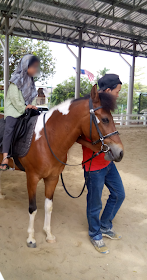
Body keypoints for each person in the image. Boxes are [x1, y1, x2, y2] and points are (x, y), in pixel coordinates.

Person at [77, 74, 125, 254]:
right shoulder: (88, 110)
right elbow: (76, 137)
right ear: (107, 91)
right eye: (117, 91)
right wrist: (92, 145)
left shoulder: (105, 110)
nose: (118, 94)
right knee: (94, 203)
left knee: (119, 194)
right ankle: (94, 233)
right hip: (93, 167)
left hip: (107, 162)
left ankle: (105, 225)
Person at [0, 54, 40, 170]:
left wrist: (33, 106)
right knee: (9, 128)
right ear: (26, 66)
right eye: (34, 67)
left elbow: (33, 96)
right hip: (14, 109)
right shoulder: (15, 80)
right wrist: (25, 107)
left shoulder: (31, 81)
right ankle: (5, 157)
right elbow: (14, 98)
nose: (35, 69)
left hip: (27, 108)